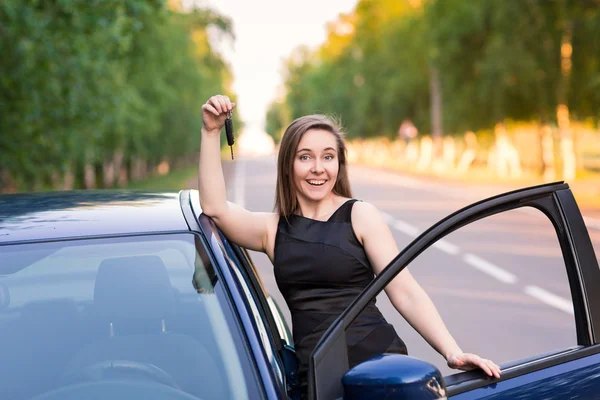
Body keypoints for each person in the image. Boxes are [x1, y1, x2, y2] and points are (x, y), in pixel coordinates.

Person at [198, 95, 501, 394]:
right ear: (288, 165)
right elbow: (215, 208)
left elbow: (405, 292)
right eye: (305, 157)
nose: (318, 168)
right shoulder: (272, 229)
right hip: (316, 378)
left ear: (339, 164)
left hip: (378, 370)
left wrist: (452, 352)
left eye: (328, 157)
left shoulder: (360, 215)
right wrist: (211, 132)